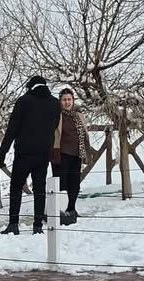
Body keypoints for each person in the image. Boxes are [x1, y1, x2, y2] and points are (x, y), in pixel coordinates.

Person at [0, 75, 61, 235]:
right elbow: (54, 126)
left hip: (24, 153)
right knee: (40, 188)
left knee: (16, 187)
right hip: (43, 154)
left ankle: (13, 224)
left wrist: (3, 152)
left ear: (30, 87)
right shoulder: (55, 103)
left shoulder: (23, 102)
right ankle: (38, 225)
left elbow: (12, 129)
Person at [52, 88, 90, 226]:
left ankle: (72, 208)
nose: (67, 102)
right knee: (62, 184)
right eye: (64, 100)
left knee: (74, 183)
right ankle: (61, 211)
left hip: (76, 154)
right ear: (60, 101)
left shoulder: (79, 116)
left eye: (69, 99)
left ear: (73, 101)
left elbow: (84, 135)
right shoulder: (56, 115)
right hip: (61, 154)